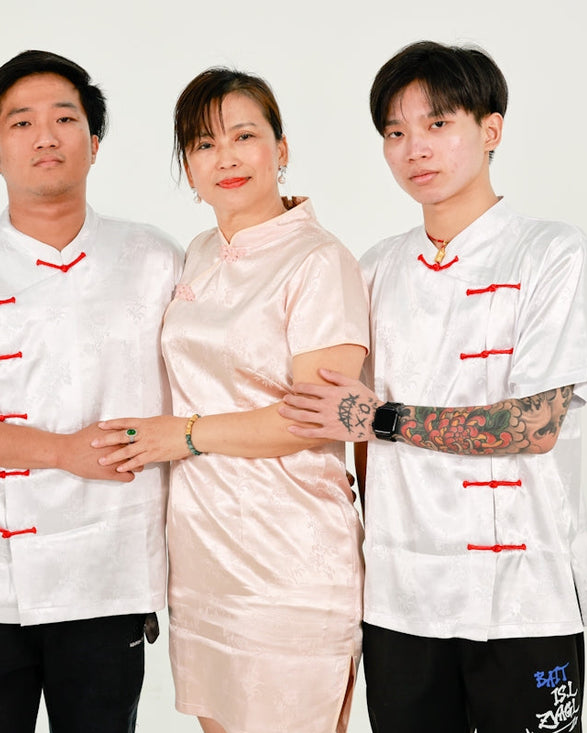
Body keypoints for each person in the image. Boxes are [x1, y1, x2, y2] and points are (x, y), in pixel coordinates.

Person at [278, 41, 587, 733]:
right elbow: (346, 430)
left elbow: (533, 425)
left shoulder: (551, 250)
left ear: (491, 130)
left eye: (437, 124)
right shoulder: (373, 268)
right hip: (401, 598)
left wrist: (383, 418)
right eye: (395, 133)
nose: (414, 148)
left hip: (525, 592)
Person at [0, 50, 181, 733]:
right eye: (21, 123)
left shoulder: (153, 259)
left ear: (95, 143)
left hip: (107, 572)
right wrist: (65, 451)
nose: (46, 136)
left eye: (65, 119)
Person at [93, 68, 370, 733]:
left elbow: (314, 417)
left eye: (245, 135)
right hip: (204, 554)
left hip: (290, 554)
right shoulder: (199, 252)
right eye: (204, 144)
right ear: (189, 167)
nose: (227, 157)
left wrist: (182, 434)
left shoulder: (318, 261)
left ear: (281, 148)